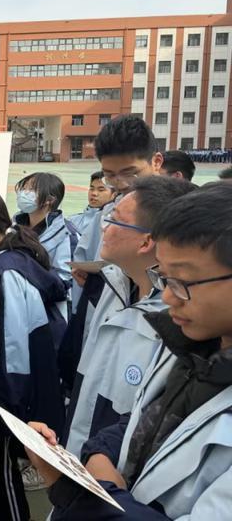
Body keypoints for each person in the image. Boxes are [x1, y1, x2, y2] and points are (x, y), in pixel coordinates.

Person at [26, 181, 232, 519]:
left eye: (183, 280)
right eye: (164, 277)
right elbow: (141, 418)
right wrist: (98, 453)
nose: (168, 296)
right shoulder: (191, 346)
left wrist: (75, 489)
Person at [60, 176, 196, 461]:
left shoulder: (179, 317)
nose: (104, 227)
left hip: (112, 471)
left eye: (115, 220)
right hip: (81, 458)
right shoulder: (111, 285)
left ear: (146, 241)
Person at [0, 188, 67, 521]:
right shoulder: (14, 256)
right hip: (18, 383)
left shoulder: (4, 271)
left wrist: (11, 403)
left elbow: (13, 345)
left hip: (8, 387)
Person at [68, 116, 163, 367]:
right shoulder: (108, 212)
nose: (121, 183)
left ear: (156, 162)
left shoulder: (176, 216)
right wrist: (94, 282)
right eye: (109, 175)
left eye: (131, 173)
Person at [14, 172, 79, 287]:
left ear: (50, 199)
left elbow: (64, 279)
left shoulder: (66, 234)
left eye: (31, 189)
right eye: (23, 188)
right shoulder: (14, 225)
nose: (23, 193)